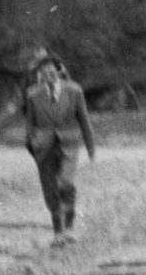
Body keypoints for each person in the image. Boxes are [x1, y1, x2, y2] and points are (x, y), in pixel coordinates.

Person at [22, 53, 96, 244]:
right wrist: (32, 143)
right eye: (44, 73)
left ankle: (70, 227)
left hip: (69, 144)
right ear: (40, 75)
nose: (49, 75)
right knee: (50, 189)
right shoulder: (33, 94)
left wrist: (90, 147)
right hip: (44, 146)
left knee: (66, 182)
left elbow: (84, 120)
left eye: (52, 71)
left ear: (58, 71)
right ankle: (58, 232)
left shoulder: (74, 91)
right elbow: (30, 124)